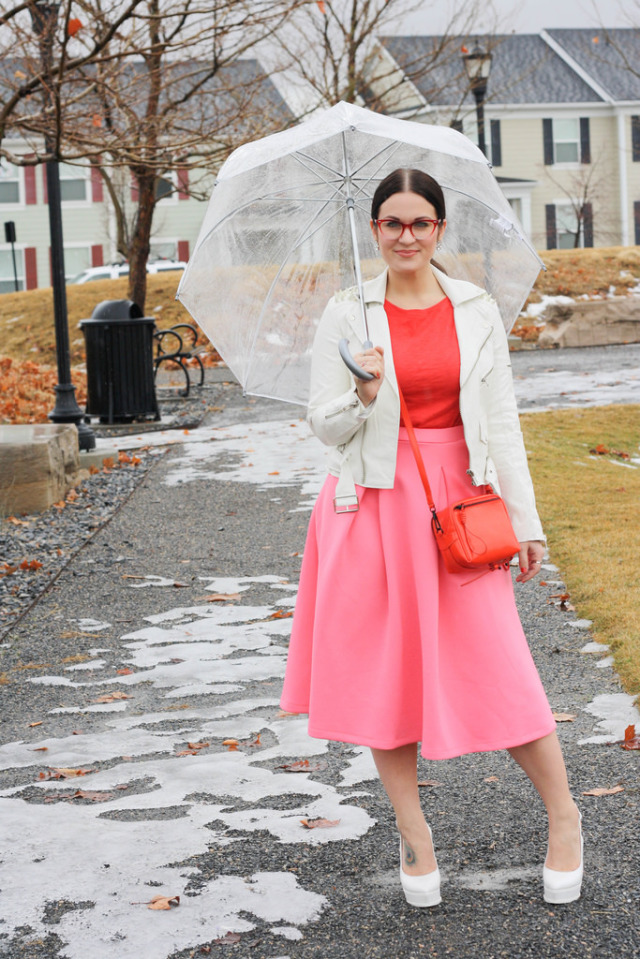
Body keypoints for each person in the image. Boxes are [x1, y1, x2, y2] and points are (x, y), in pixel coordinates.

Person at [280, 168, 583, 907]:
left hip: (461, 501)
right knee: (388, 680)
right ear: (375, 231)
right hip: (373, 507)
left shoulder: (475, 308)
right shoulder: (347, 313)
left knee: (500, 663)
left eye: (420, 223)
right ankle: (415, 839)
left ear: (439, 229)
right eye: (392, 224)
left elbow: (503, 421)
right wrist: (363, 394)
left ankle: (565, 817)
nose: (406, 236)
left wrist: (526, 520)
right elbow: (322, 424)